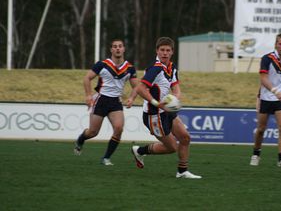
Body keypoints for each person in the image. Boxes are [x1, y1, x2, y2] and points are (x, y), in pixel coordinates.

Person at [131, 37, 202, 179]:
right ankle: (139, 150)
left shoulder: (172, 67)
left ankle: (182, 171)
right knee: (171, 148)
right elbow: (140, 88)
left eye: (167, 50)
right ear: (157, 51)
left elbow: (176, 88)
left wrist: (175, 98)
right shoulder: (155, 69)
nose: (165, 53)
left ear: (172, 52)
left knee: (185, 137)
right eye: (162, 50)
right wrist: (157, 103)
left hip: (166, 111)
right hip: (153, 115)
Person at [74, 39, 138, 166]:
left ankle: (106, 158)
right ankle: (81, 139)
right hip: (101, 100)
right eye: (115, 46)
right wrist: (88, 95)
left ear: (124, 49)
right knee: (93, 132)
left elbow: (137, 86)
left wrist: (131, 98)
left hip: (115, 102)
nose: (118, 48)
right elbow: (87, 78)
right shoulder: (102, 64)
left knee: (119, 128)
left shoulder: (130, 68)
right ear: (111, 50)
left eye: (120, 46)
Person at [250, 33, 281, 167]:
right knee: (261, 129)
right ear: (276, 44)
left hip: (280, 100)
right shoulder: (267, 58)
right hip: (266, 98)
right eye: (280, 44)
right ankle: (256, 154)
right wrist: (276, 92)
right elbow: (263, 79)